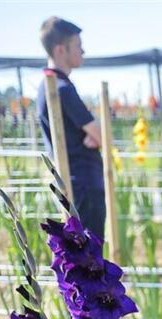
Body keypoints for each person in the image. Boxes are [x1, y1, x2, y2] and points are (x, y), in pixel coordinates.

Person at [36, 17, 105, 241]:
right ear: (60, 50)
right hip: (83, 187)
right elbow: (102, 135)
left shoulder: (50, 85)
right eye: (77, 45)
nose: (83, 51)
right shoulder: (61, 89)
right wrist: (96, 135)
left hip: (75, 185)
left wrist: (95, 134)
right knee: (90, 254)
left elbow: (97, 134)